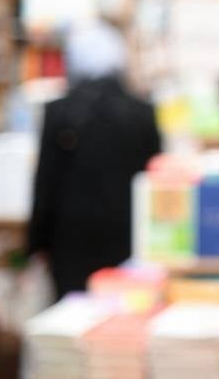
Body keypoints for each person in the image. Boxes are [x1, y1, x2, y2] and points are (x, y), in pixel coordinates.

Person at [27, 21, 162, 298]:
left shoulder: (59, 113)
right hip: (128, 239)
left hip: (70, 242)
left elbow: (46, 182)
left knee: (71, 324)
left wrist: (35, 243)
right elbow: (154, 181)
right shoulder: (143, 113)